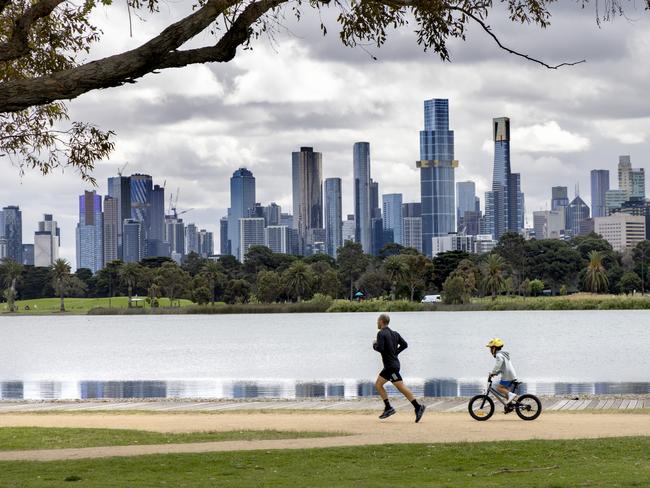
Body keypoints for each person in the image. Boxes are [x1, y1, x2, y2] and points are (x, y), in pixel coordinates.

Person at [373, 313, 426, 422]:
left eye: (378, 321)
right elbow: (405, 345)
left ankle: (416, 407)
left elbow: (381, 348)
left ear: (382, 321)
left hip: (390, 367)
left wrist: (374, 345)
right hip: (393, 365)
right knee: (380, 385)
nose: (377, 323)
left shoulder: (381, 333)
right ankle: (390, 407)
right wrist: (395, 353)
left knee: (399, 387)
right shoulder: (395, 334)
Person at [486, 338, 518, 404]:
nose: (490, 350)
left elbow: (498, 364)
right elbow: (501, 367)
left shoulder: (499, 355)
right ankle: (510, 406)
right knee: (506, 392)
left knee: (499, 388)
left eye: (491, 348)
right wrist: (495, 373)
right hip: (510, 375)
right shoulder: (503, 354)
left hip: (507, 376)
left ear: (494, 348)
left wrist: (493, 372)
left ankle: (511, 395)